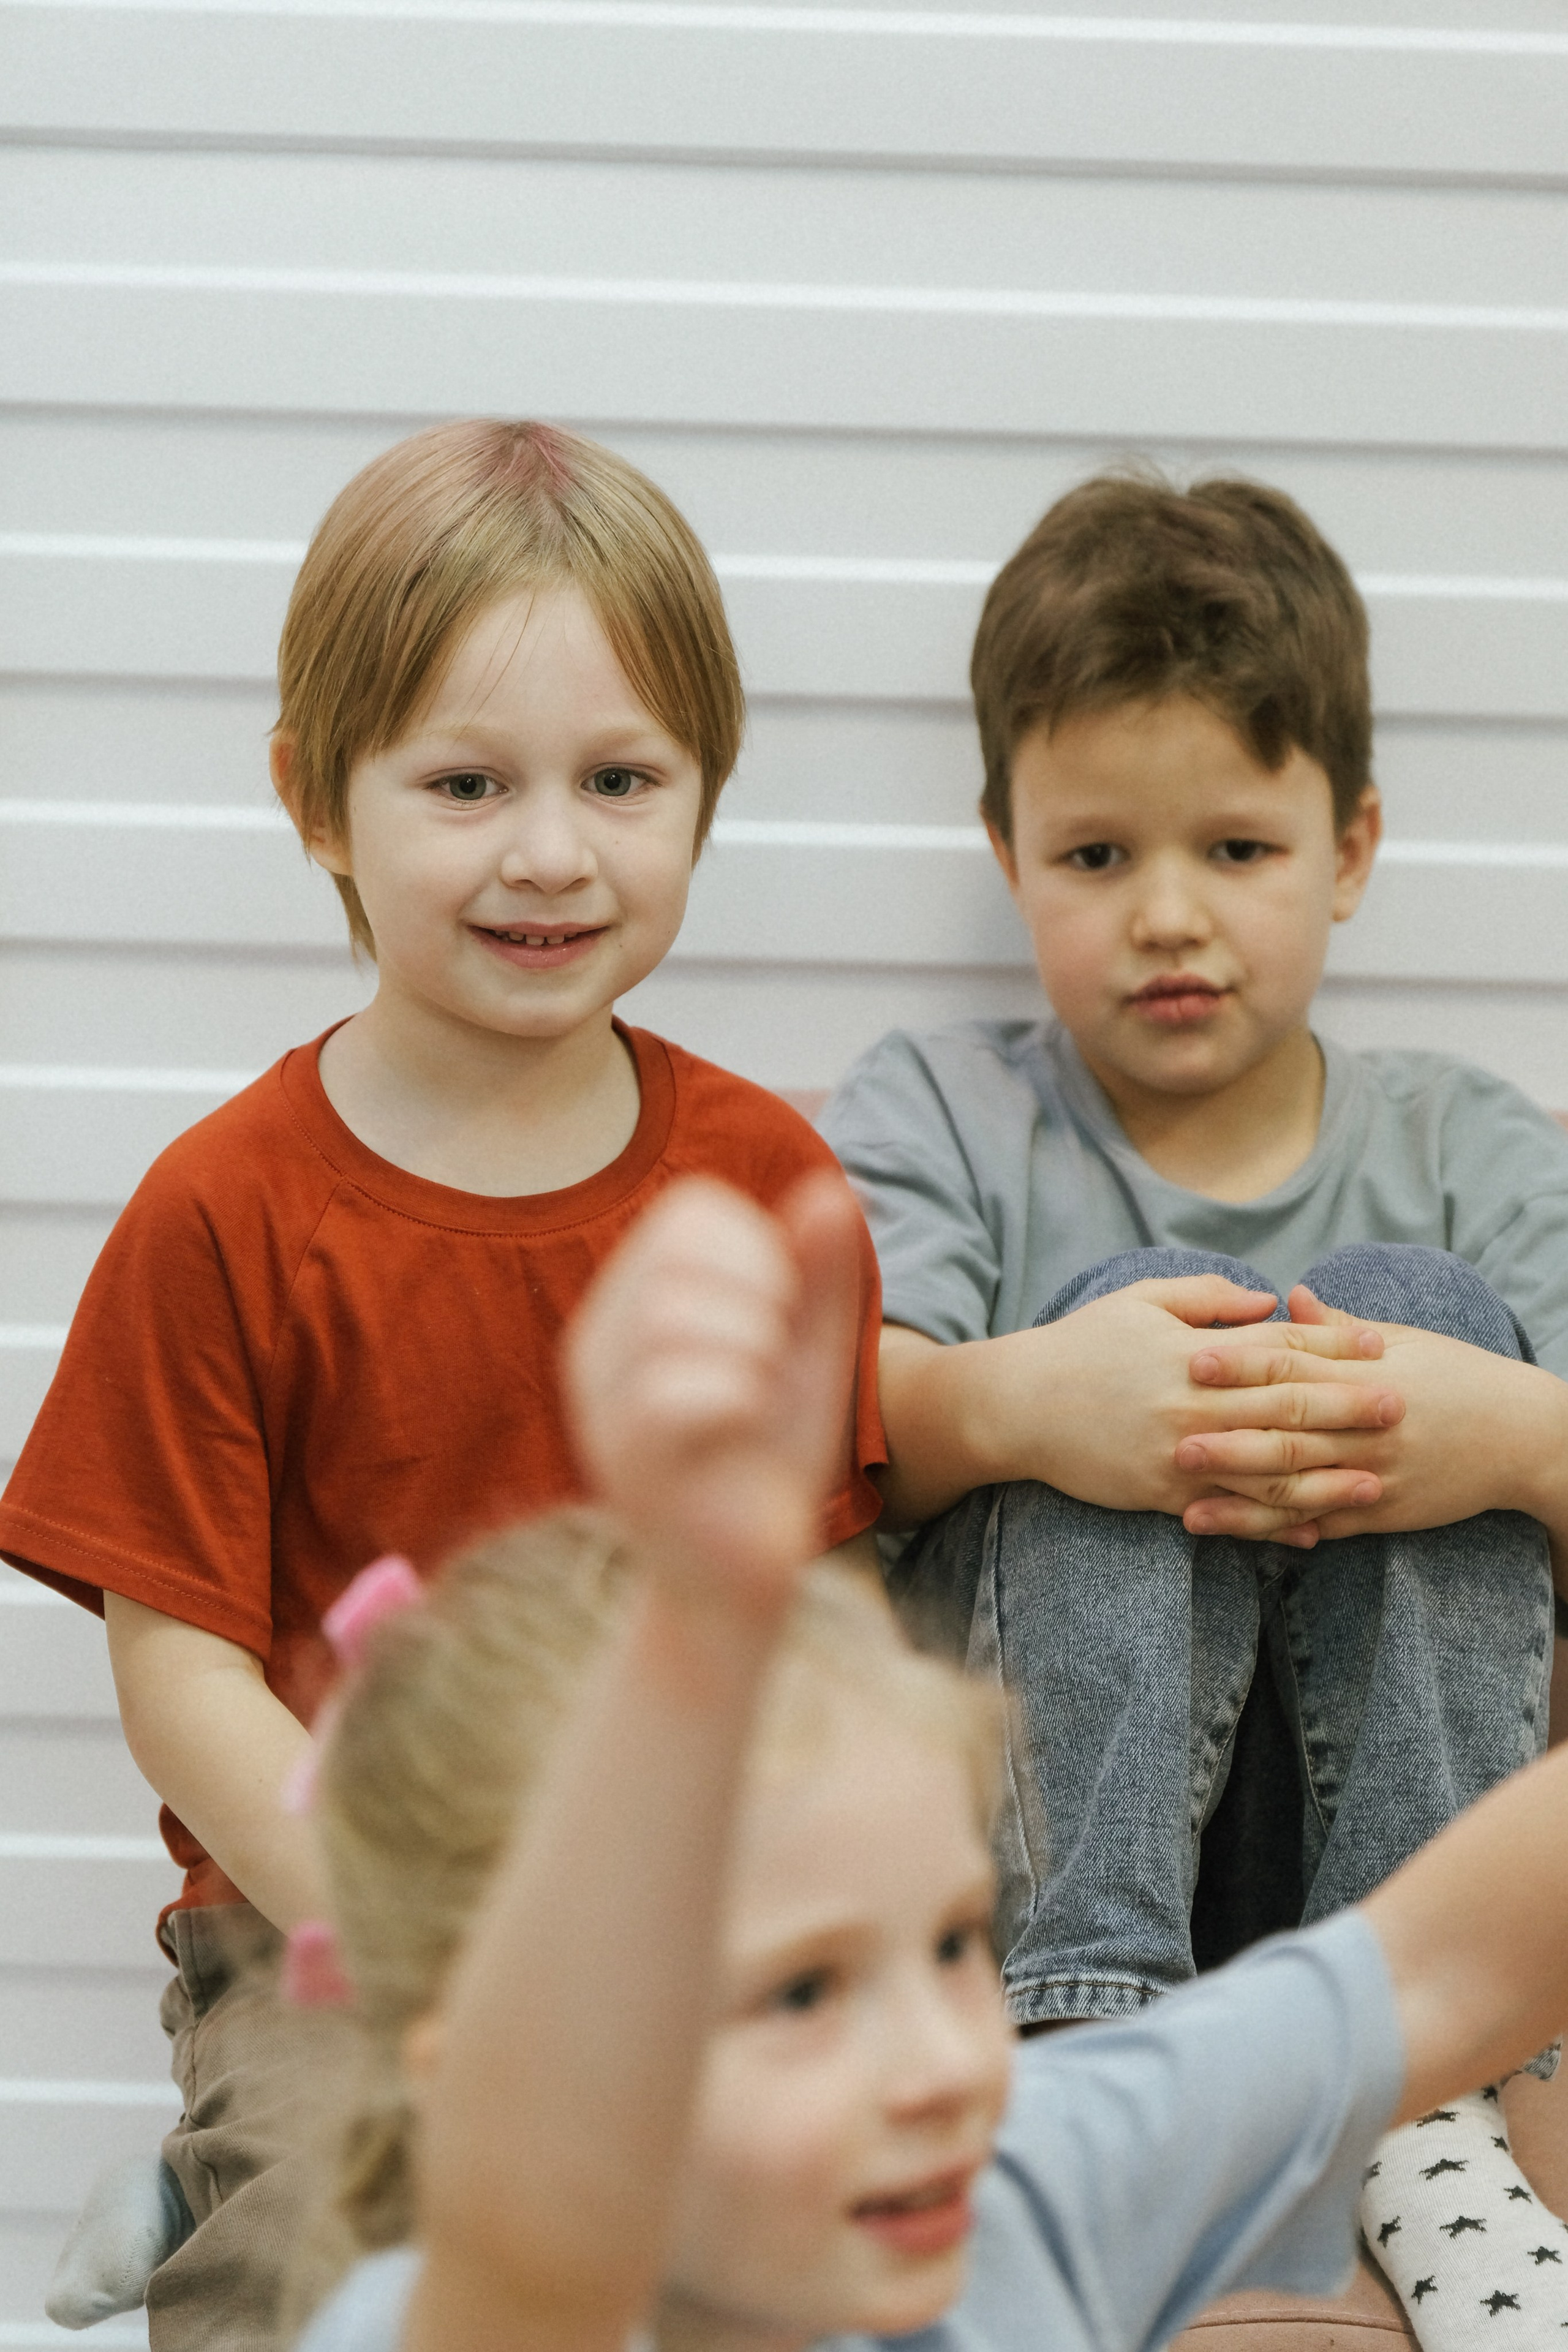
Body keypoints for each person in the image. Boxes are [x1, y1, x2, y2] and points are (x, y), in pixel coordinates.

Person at [0, 421, 885, 2349]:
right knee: (338, 2244)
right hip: (340, 1930)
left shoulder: (765, 1185)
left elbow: (813, 1608)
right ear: (318, 799)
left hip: (688, 1909)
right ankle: (229, 2183)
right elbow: (180, 1680)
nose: (550, 851)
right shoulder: (222, 1212)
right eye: (468, 783)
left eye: (621, 779)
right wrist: (401, 1918)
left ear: (706, 790)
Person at [294, 1173, 1568, 2352]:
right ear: (478, 2085)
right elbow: (531, 2229)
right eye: (803, 1993)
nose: (949, 2066)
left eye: (957, 1944)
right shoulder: (484, 2310)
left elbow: (1444, 1971)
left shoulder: (1034, 2177)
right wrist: (691, 1652)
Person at [817, 469, 1568, 2342]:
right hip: (1045, 1869)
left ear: (1352, 845)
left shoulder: (1467, 1144)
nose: (1168, 917)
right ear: (1006, 851)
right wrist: (1038, 1404)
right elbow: (840, 1439)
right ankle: (1092, 2047)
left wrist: (1504, 1438)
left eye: (1236, 848)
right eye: (1095, 858)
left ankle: (1424, 2091)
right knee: (1115, 1316)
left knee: (1424, 1315)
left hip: (1370, 1878)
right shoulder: (943, 1113)